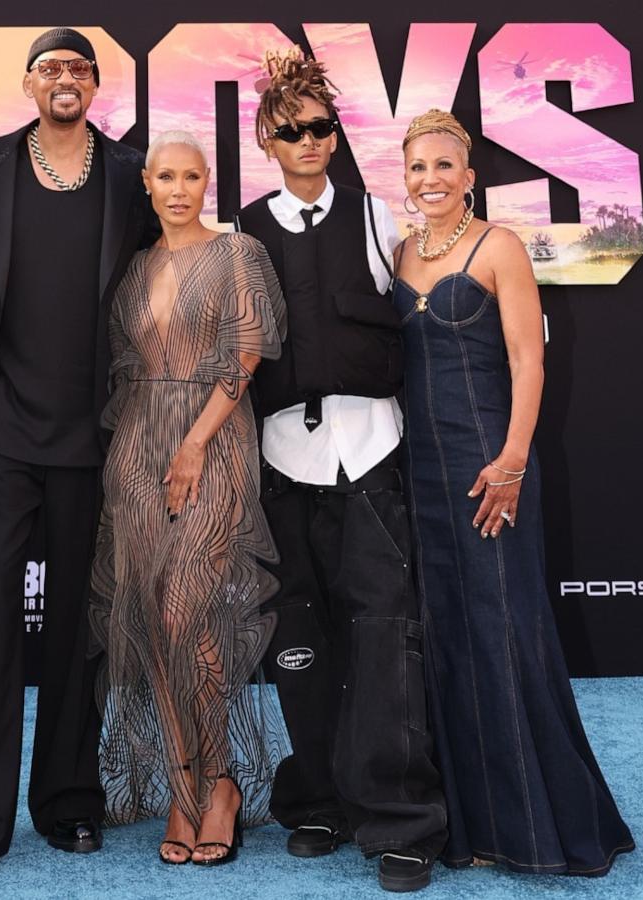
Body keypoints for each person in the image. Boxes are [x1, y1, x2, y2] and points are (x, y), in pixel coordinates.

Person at [0, 28, 158, 886]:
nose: (64, 79)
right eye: (49, 68)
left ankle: (68, 799)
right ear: (28, 84)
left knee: (77, 624)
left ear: (95, 84)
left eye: (77, 68)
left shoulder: (131, 174)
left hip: (94, 429)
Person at [391, 109, 635, 876]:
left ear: (470, 176)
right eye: (417, 167)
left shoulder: (498, 246)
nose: (429, 179)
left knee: (505, 630)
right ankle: (471, 826)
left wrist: (513, 461)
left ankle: (543, 826)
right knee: (447, 640)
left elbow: (529, 362)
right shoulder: (400, 252)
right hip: (420, 473)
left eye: (443, 167)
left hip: (491, 465)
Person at [234, 48, 447, 893]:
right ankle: (316, 801)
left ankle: (400, 820)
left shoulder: (377, 220)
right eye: (293, 131)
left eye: (322, 127)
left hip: (372, 457)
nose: (311, 141)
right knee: (301, 646)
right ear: (268, 137)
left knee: (388, 639)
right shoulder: (243, 232)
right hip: (284, 465)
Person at [89, 129, 289, 868]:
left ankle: (222, 785)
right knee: (146, 616)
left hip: (213, 440)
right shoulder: (136, 268)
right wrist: (148, 451)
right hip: (138, 447)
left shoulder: (238, 254)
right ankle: (185, 784)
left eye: (192, 176)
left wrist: (195, 443)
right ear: (146, 183)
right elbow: (122, 370)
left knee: (188, 611)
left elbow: (245, 354)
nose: (178, 189)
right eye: (165, 176)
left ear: (209, 181)